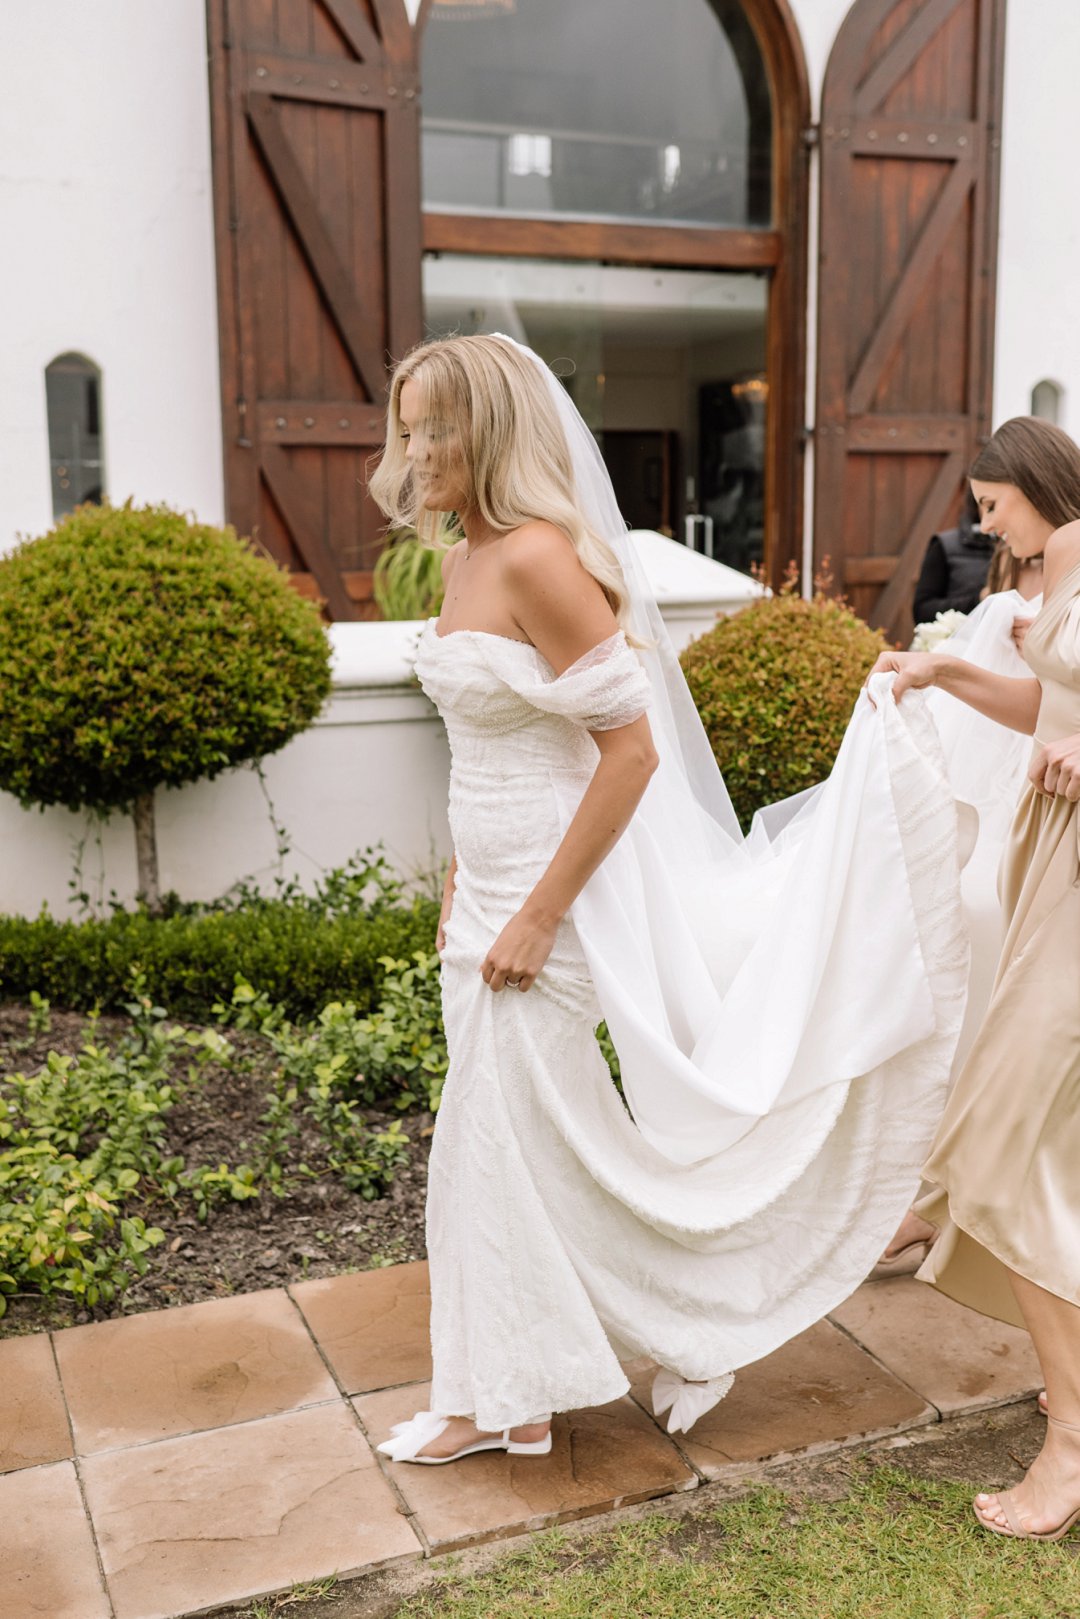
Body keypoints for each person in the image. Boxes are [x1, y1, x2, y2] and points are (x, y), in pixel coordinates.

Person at [367, 334, 969, 1466]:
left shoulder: (538, 558)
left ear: (489, 430)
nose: (414, 453)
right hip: (487, 896)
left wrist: (539, 913)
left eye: (435, 428)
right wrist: (461, 884)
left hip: (552, 905)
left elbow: (630, 753)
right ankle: (517, 1393)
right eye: (407, 429)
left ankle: (522, 1387)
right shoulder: (465, 558)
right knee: (508, 1148)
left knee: (498, 1144)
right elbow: (487, 752)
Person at [867, 414, 1080, 1541]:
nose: (988, 527)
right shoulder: (1062, 572)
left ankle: (1074, 1438)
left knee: (1003, 1138)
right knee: (1035, 1137)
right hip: (1050, 864)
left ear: (1040, 484)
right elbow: (1054, 709)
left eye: (995, 505)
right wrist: (947, 669)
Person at [912, 490, 996, 624]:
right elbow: (922, 611)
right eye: (990, 506)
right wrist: (978, 599)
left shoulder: (1023, 551)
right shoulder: (945, 545)